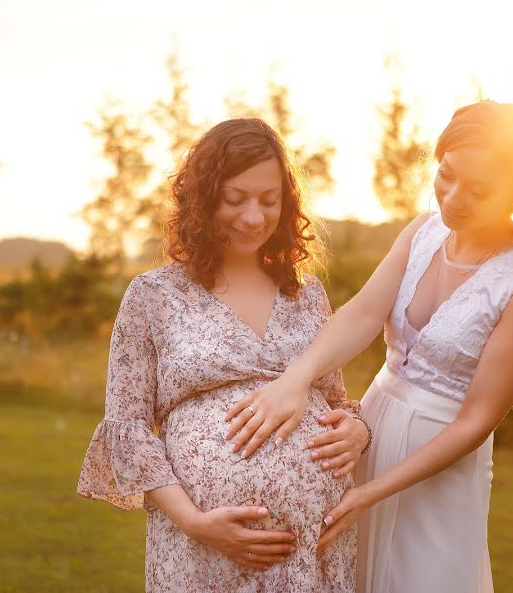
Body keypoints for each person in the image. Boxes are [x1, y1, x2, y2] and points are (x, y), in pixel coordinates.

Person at [224, 101, 513, 592]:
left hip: (440, 464)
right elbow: (362, 314)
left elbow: (476, 421)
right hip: (375, 427)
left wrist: (373, 494)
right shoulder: (422, 232)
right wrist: (294, 381)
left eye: (479, 190)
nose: (452, 198)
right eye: (446, 175)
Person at [77, 117, 370, 592]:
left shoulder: (306, 294)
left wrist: (358, 431)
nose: (253, 217)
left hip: (313, 551)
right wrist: (194, 522)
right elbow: (127, 428)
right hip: (201, 551)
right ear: (203, 198)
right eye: (235, 199)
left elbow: (336, 402)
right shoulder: (153, 296)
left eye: (269, 200)